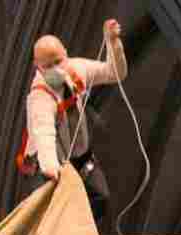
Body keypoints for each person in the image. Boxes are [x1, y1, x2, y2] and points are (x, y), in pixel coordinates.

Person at [17, 18, 127, 222]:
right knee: (51, 215)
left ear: (66, 54)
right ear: (37, 67)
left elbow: (115, 73)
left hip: (81, 157)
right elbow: (44, 134)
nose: (55, 69)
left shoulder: (77, 69)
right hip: (49, 164)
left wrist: (113, 43)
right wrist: (52, 170)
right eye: (47, 66)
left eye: (58, 61)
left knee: (100, 197)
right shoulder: (40, 96)